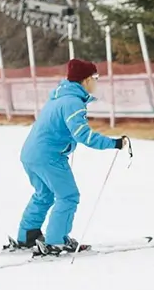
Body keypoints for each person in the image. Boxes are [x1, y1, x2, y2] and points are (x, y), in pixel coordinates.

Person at [12, 58, 127, 256]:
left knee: (44, 194)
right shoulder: (73, 102)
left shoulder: (59, 97)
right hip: (48, 156)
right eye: (96, 77)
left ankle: (27, 235)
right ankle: (55, 241)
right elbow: (84, 135)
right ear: (86, 80)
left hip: (31, 154)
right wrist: (114, 143)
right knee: (68, 196)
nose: (97, 81)